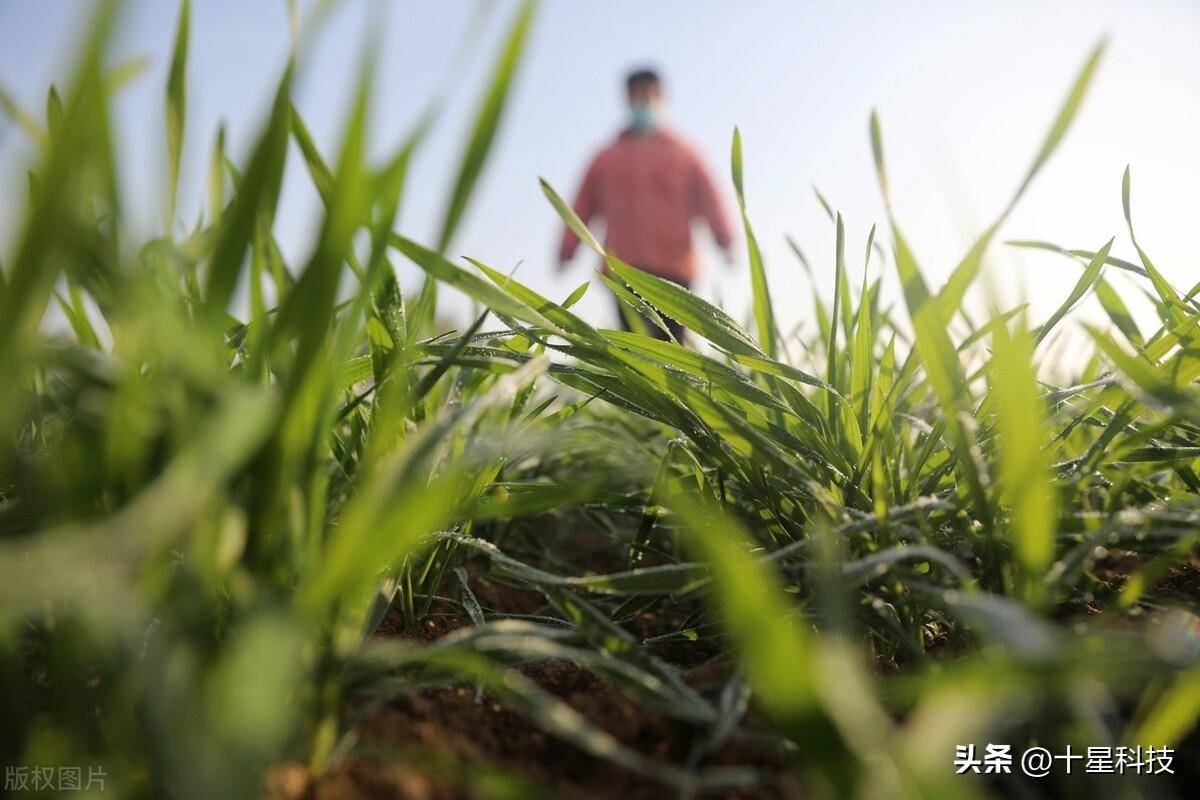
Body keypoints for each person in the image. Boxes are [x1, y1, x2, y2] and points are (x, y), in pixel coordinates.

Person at [556, 67, 734, 342]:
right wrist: (566, 249)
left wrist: (725, 238)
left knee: (673, 349)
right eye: (638, 96)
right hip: (623, 269)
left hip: (674, 271)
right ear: (627, 100)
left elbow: (710, 197)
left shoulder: (684, 154)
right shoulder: (606, 158)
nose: (645, 101)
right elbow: (581, 206)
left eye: (651, 95)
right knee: (635, 347)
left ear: (662, 97)